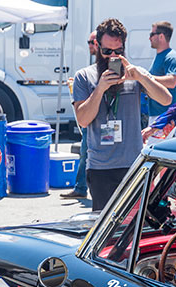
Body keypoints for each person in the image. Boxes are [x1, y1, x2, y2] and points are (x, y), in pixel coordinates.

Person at [73, 18, 171, 211]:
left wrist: (140, 77)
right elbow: (83, 120)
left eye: (117, 51)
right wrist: (99, 89)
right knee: (105, 230)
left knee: (134, 226)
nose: (112, 56)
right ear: (97, 46)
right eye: (106, 51)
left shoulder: (135, 74)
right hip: (100, 168)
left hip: (132, 166)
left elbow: (166, 99)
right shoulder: (84, 76)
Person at [61, 30, 97, 199]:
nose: (89, 46)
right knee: (84, 152)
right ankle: (81, 187)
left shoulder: (104, 69)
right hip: (90, 118)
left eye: (91, 42)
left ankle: (82, 187)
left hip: (98, 120)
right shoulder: (89, 70)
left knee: (87, 153)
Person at [147, 21, 176, 125]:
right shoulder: (160, 55)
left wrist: (146, 77)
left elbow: (172, 81)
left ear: (161, 36)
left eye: (152, 34)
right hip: (156, 114)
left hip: (166, 115)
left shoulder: (172, 57)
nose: (150, 38)